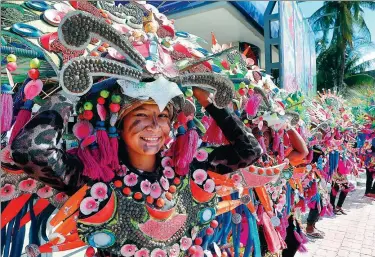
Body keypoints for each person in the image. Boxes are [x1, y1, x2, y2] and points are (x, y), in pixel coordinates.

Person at [10, 81, 262, 256]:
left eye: (163, 116)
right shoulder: (92, 175)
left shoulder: (188, 167)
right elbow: (30, 150)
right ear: (117, 123)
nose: (154, 127)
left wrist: (210, 102)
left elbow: (249, 151)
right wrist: (71, 92)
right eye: (141, 114)